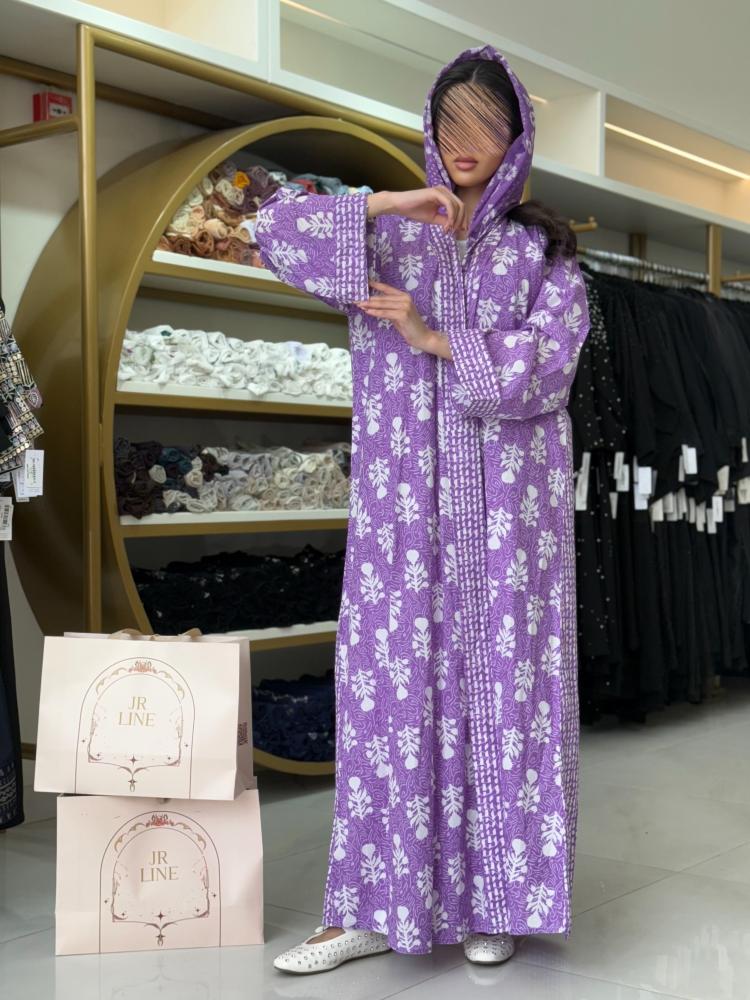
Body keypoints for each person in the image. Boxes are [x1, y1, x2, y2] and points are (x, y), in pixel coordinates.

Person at [255, 44, 590, 974]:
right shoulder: (392, 237)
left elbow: (550, 366)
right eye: (450, 122)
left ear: (517, 137)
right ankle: (374, 907)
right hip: (401, 515)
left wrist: (432, 335)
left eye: (487, 123)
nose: (466, 139)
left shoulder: (543, 254)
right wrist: (386, 202)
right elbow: (271, 230)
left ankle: (493, 901)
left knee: (501, 695)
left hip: (507, 522)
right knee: (392, 695)